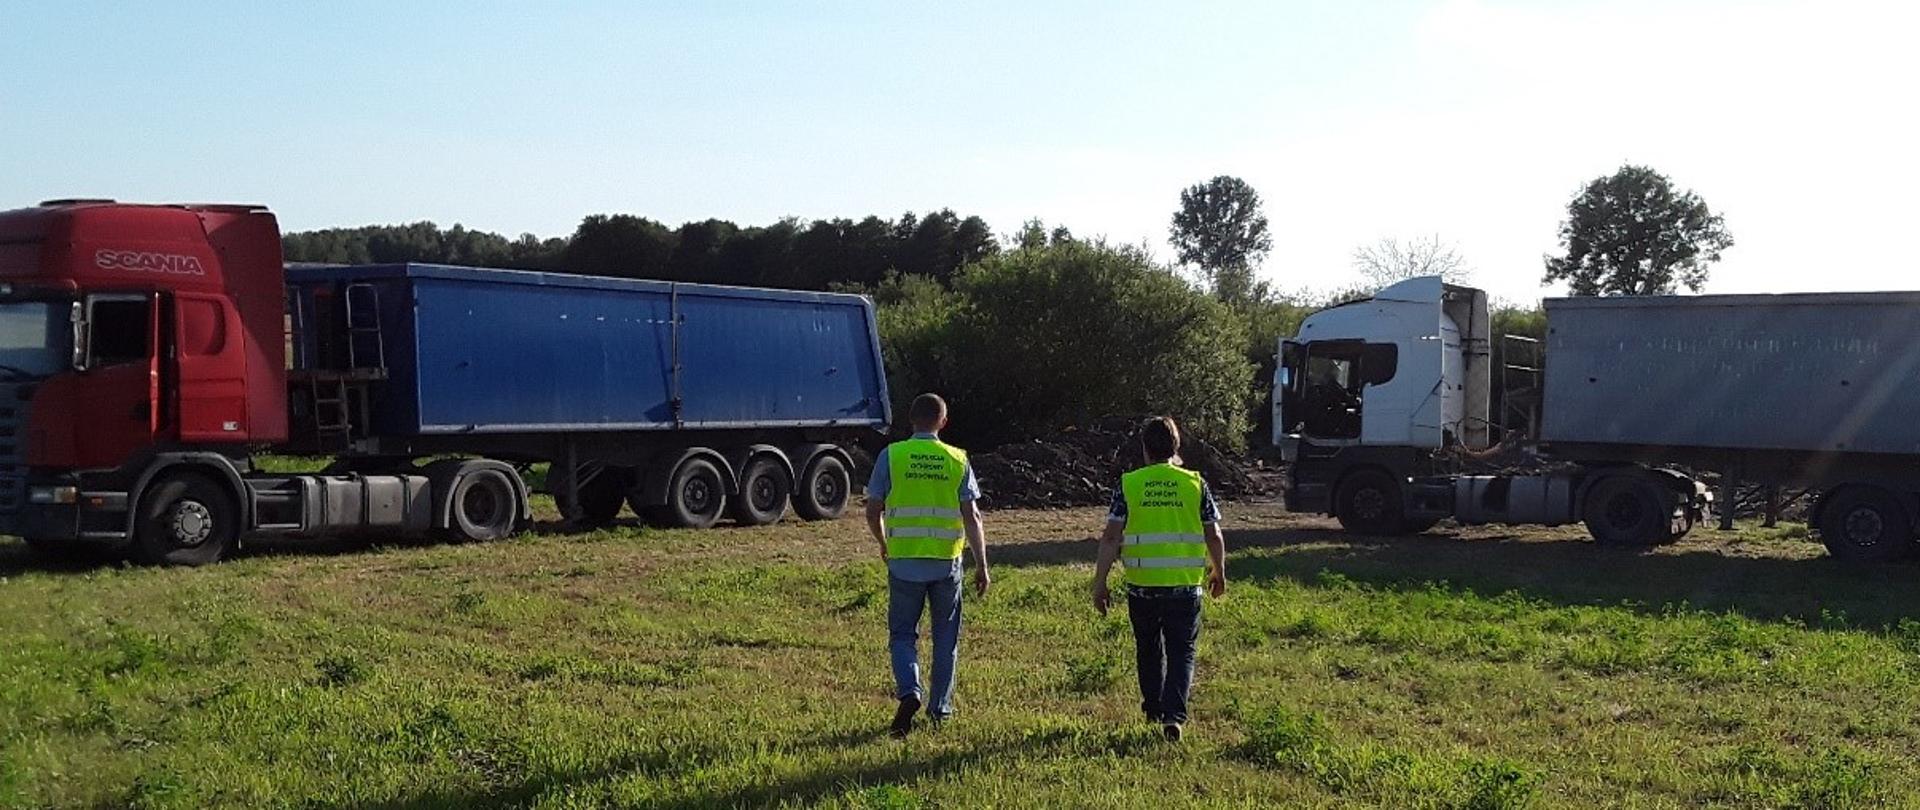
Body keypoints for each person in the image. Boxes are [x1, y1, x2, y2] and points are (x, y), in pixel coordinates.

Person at [1090, 416, 1227, 742]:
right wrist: (1219, 571)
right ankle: (1174, 716)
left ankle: (1153, 709)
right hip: (1185, 586)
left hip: (1143, 586)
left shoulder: (1129, 484)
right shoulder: (1196, 484)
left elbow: (1111, 538)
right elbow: (1214, 534)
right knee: (1182, 651)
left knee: (1148, 648)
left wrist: (1100, 582)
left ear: (1144, 449)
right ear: (1176, 447)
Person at [865, 393, 990, 738]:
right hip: (946, 563)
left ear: (910, 419)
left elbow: (872, 508)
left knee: (903, 634)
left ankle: (910, 691)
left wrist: (883, 542)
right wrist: (981, 564)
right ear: (944, 422)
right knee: (945, 638)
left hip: (903, 561)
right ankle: (941, 709)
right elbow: (973, 515)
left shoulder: (892, 456)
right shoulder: (957, 458)